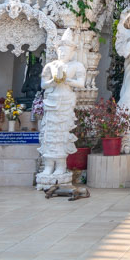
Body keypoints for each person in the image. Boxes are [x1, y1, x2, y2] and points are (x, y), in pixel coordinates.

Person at [37, 29, 86, 185]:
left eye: (66, 50)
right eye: (60, 50)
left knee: (62, 133)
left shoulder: (76, 65)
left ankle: (60, 166)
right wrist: (53, 82)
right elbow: (43, 84)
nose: (63, 52)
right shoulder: (51, 65)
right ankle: (48, 165)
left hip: (66, 100)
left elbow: (81, 83)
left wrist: (66, 80)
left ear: (72, 52)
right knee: (49, 134)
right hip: (52, 100)